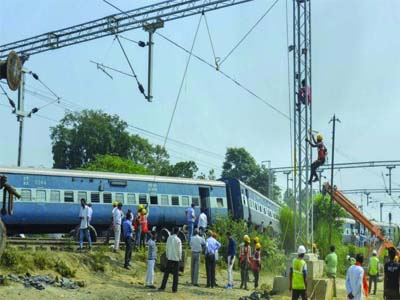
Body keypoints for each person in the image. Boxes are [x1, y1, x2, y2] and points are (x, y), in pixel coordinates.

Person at [159, 227, 182, 293]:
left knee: (166, 273)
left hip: (170, 258)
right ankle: (174, 289)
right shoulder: (178, 240)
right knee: (175, 275)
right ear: (177, 232)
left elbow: (167, 247)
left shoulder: (169, 238)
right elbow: (179, 250)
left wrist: (167, 255)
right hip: (176, 259)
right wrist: (180, 257)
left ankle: (163, 286)